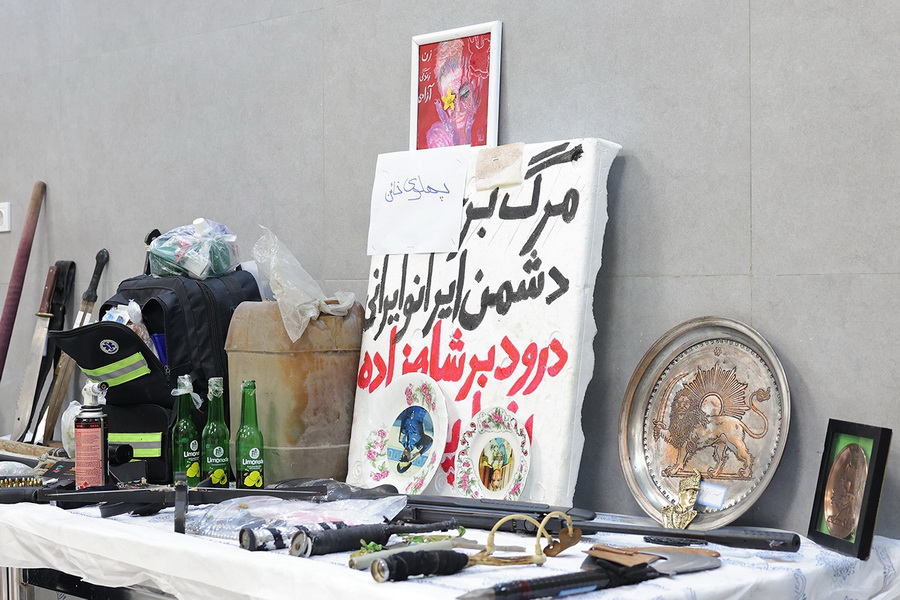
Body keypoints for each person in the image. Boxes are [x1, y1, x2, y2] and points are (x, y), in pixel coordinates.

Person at [396, 406, 433, 474]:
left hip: (409, 408)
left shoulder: (401, 440)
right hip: (420, 409)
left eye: (401, 457)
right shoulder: (418, 444)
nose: (403, 455)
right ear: (410, 458)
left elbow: (404, 423)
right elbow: (430, 441)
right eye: (405, 458)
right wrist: (420, 453)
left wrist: (402, 434)